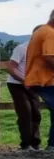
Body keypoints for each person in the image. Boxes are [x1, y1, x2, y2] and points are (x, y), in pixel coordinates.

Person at [7, 26, 42, 151]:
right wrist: (22, 80)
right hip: (16, 84)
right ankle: (26, 145)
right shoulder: (22, 48)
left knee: (36, 113)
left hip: (32, 84)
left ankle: (35, 143)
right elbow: (11, 67)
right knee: (25, 112)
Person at [25, 12, 54, 151]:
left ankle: (52, 145)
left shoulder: (42, 30)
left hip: (40, 79)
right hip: (44, 81)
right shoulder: (50, 33)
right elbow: (49, 57)